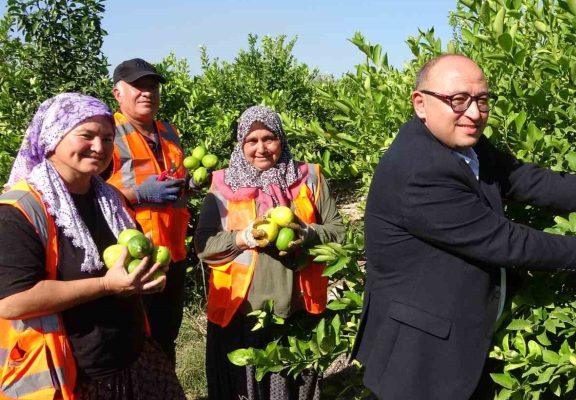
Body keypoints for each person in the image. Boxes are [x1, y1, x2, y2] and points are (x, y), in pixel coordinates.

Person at [351, 54, 576, 399]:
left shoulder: (454, 144)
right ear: (421, 103)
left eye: (482, 100)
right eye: (458, 100)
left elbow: (523, 178)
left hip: (455, 341)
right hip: (422, 359)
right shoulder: (418, 171)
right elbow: (501, 240)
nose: (474, 113)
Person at [0, 93, 184, 399]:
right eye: (86, 135)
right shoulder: (19, 210)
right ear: (53, 137)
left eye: (108, 138)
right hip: (69, 373)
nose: (99, 147)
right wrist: (106, 285)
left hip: (134, 358)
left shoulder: (112, 201)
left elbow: (128, 266)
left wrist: (147, 273)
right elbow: (13, 301)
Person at [195, 106, 345, 400]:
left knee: (293, 384)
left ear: (282, 140)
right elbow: (204, 246)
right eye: (252, 141)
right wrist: (243, 237)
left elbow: (339, 231)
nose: (261, 148)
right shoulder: (222, 186)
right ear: (241, 144)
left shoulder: (309, 177)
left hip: (298, 307)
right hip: (242, 312)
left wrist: (308, 233)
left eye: (269, 138)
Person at [105, 58, 192, 363]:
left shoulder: (168, 131)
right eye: (138, 86)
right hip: (133, 258)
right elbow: (87, 195)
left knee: (167, 337)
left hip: (172, 254)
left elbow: (170, 176)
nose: (147, 92)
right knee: (137, 340)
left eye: (152, 86)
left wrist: (186, 185)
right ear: (118, 93)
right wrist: (138, 194)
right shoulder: (106, 133)